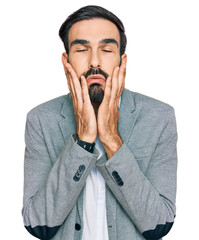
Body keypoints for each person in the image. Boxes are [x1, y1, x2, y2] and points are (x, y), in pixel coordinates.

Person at [22, 5, 178, 240]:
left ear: (121, 61)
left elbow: (159, 223)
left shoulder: (160, 117)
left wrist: (110, 138)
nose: (94, 61)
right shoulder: (41, 120)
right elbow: (38, 224)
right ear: (66, 62)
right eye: (82, 49)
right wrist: (83, 140)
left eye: (106, 50)